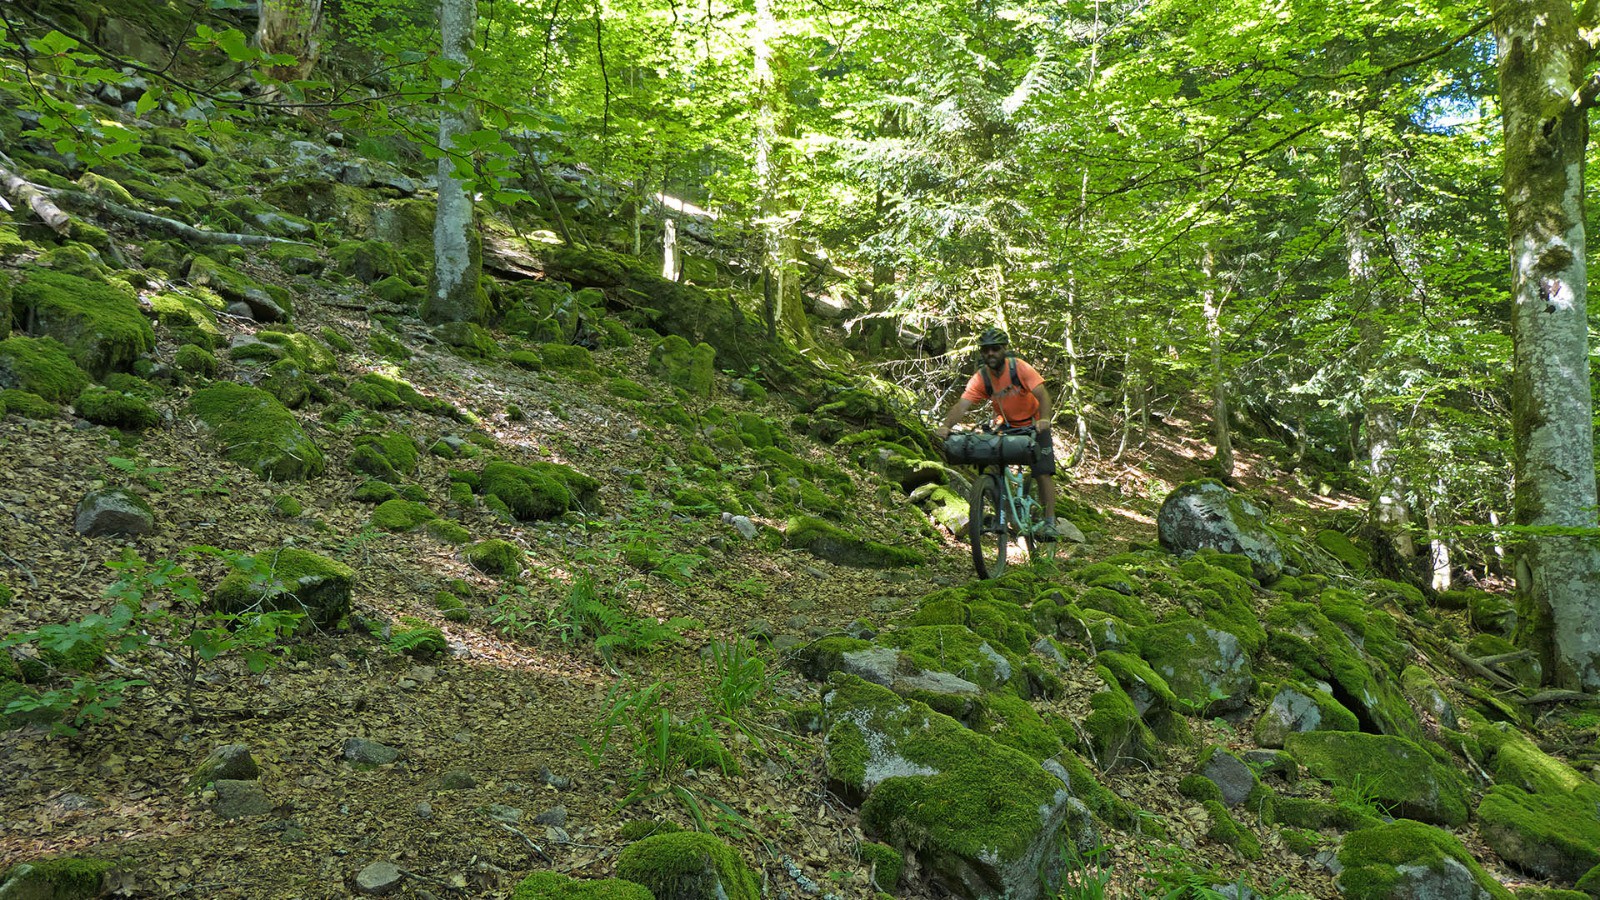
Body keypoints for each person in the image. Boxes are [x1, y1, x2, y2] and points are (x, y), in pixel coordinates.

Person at [934, 327, 1059, 540]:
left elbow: (1042, 394)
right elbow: (963, 404)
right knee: (991, 457)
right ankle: (1001, 507)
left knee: (1042, 472)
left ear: (1004, 349)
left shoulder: (1019, 368)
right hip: (1006, 426)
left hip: (1034, 424)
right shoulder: (982, 377)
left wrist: (1044, 419)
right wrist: (946, 425)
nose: (990, 354)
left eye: (995, 349)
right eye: (986, 350)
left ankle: (1049, 521)